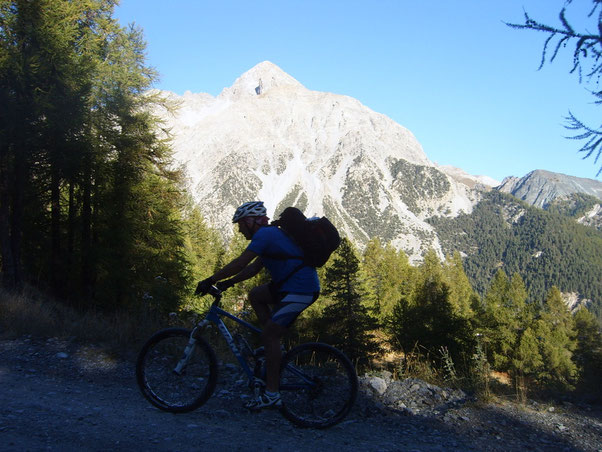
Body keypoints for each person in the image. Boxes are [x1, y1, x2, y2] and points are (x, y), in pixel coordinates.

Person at [195, 201, 320, 410]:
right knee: (256, 295)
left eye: (241, 224)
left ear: (251, 221)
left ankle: (272, 394)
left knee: (269, 334)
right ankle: (275, 347)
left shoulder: (265, 235)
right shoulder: (271, 235)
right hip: (288, 286)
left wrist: (211, 280)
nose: (239, 229)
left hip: (301, 290)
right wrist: (227, 283)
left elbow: (240, 263)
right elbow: (253, 269)